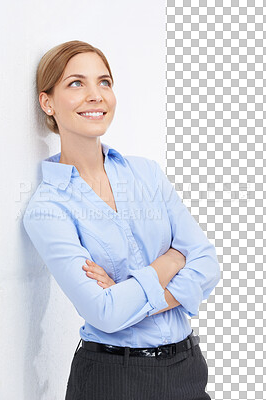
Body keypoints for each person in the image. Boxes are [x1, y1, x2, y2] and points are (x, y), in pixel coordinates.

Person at [23, 40, 221, 400]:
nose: (96, 95)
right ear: (47, 102)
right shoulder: (48, 207)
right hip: (112, 379)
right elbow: (106, 313)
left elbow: (206, 263)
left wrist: (126, 287)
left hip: (188, 369)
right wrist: (171, 261)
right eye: (76, 83)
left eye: (105, 82)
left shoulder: (147, 173)